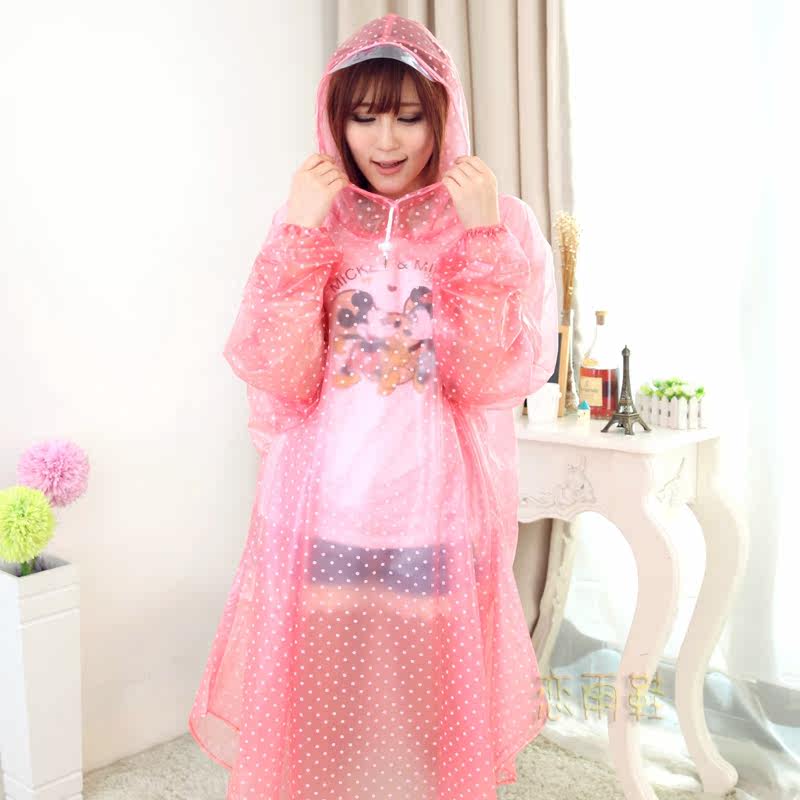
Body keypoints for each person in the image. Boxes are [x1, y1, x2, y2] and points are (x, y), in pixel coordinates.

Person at [188, 12, 558, 800]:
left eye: (409, 116)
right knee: (321, 720)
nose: (386, 141)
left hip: (436, 514)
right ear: (337, 120)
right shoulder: (309, 221)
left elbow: (489, 378)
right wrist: (298, 232)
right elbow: (281, 373)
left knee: (430, 724)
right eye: (364, 117)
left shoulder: (499, 222)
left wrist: (484, 235)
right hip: (323, 508)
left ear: (443, 115)